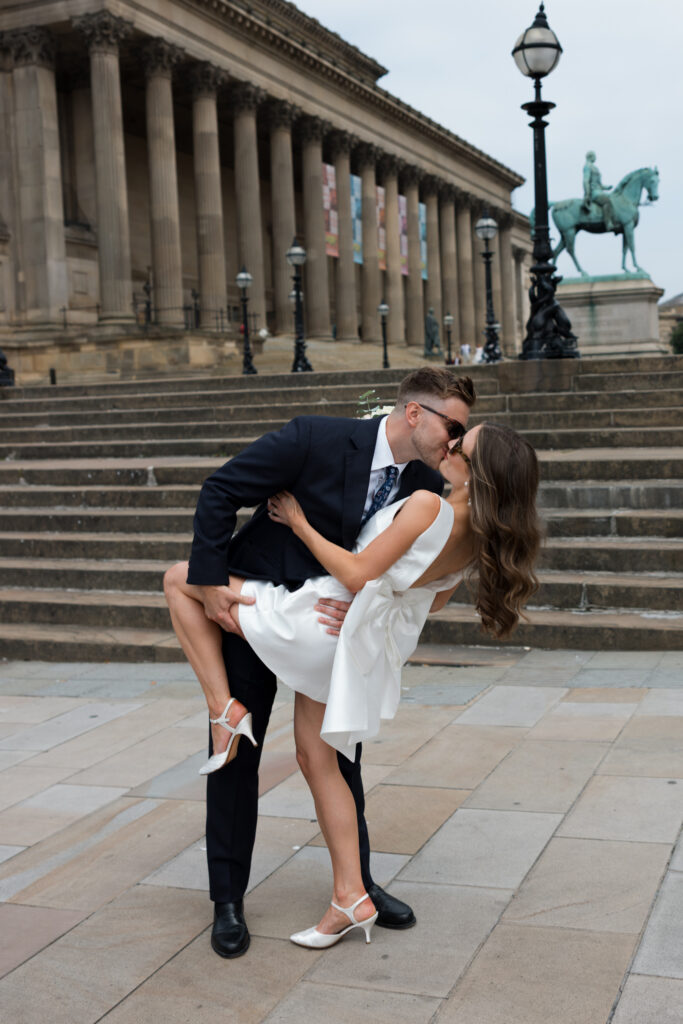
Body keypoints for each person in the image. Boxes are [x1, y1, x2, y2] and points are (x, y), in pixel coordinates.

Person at [165, 415, 541, 950]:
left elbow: (358, 573)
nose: (450, 444)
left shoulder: (428, 504)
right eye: (454, 432)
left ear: (478, 472)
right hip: (348, 640)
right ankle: (350, 893)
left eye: (462, 444)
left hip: (317, 620)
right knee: (320, 762)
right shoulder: (480, 532)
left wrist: (297, 522)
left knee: (181, 580)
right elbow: (427, 598)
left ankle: (222, 709)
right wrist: (374, 615)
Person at [582, 150, 615, 232]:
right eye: (595, 156)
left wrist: (607, 187)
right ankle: (608, 223)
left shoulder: (594, 168)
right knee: (607, 202)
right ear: (591, 156)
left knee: (613, 199)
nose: (596, 157)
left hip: (599, 191)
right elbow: (585, 181)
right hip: (594, 193)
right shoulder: (587, 166)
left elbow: (599, 184)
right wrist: (587, 194)